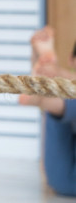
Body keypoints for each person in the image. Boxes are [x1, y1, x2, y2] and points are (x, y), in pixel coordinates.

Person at [19, 26, 76, 196]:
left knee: (59, 95)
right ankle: (45, 93)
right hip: (64, 177)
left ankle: (44, 96)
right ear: (71, 60)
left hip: (64, 181)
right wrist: (39, 59)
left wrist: (59, 72)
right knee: (63, 95)